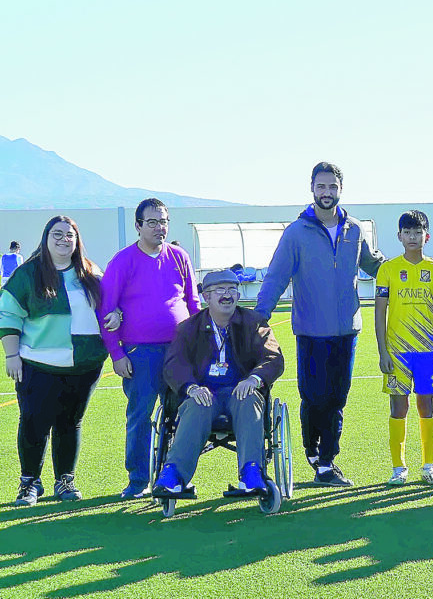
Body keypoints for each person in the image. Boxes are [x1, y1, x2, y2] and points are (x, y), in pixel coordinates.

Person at [255, 161, 384, 486]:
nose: (327, 193)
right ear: (312, 188)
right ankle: (312, 452)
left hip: (346, 331)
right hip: (311, 332)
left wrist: (407, 269)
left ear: (341, 189)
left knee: (337, 399)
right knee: (314, 397)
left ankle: (326, 462)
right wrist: (259, 315)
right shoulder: (296, 233)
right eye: (321, 187)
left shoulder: (354, 229)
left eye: (332, 187)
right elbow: (276, 276)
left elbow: (371, 264)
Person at [97, 198, 200, 498]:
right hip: (140, 354)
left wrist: (198, 344)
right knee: (141, 415)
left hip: (179, 351)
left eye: (164, 221)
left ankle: (174, 476)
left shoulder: (179, 256)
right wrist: (116, 355)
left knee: (184, 415)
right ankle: (138, 480)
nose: (159, 227)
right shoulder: (123, 261)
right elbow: (106, 311)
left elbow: (193, 304)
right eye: (152, 222)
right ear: (138, 225)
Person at [2, 216, 108, 506]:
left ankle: (65, 480)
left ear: (77, 240)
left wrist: (117, 316)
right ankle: (29, 484)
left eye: (70, 235)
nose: (64, 240)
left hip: (84, 366)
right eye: (57, 234)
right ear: (46, 238)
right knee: (34, 423)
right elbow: (9, 315)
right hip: (37, 364)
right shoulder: (28, 273)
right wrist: (11, 355)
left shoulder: (91, 272)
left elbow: (108, 308)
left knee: (70, 423)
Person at [153, 270, 285, 495]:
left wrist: (254, 379)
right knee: (197, 403)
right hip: (205, 394)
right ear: (206, 296)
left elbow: (273, 357)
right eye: (220, 290)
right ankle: (173, 473)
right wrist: (191, 387)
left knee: (249, 398)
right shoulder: (188, 328)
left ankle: (251, 472)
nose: (227, 295)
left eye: (232, 289)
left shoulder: (253, 322)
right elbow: (174, 364)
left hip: (240, 393)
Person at [375, 210, 433, 486]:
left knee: (426, 406)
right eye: (408, 232)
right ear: (399, 236)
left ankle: (428, 467)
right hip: (397, 351)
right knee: (398, 407)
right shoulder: (388, 270)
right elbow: (379, 313)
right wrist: (383, 352)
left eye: (418, 232)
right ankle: (399, 467)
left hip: (428, 351)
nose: (413, 237)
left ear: (426, 236)